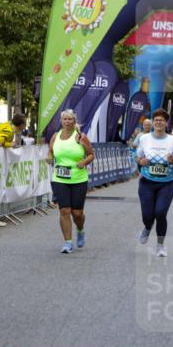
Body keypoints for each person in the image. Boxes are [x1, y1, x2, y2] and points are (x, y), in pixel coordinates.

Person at [48, 108, 94, 253]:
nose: (67, 121)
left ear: (74, 121)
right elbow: (51, 151)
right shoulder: (55, 136)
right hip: (59, 178)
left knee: (77, 213)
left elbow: (91, 155)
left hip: (78, 179)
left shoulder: (80, 137)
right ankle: (67, 242)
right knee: (64, 210)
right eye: (64, 119)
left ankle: (80, 230)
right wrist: (49, 157)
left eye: (70, 119)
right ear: (61, 121)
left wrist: (84, 162)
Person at [135, 108, 173, 257]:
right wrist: (140, 161)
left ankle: (160, 246)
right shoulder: (144, 138)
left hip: (166, 183)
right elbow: (137, 157)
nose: (158, 122)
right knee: (147, 216)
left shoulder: (172, 140)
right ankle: (147, 228)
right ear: (153, 123)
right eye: (156, 120)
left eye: (161, 120)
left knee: (160, 212)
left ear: (166, 123)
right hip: (147, 182)